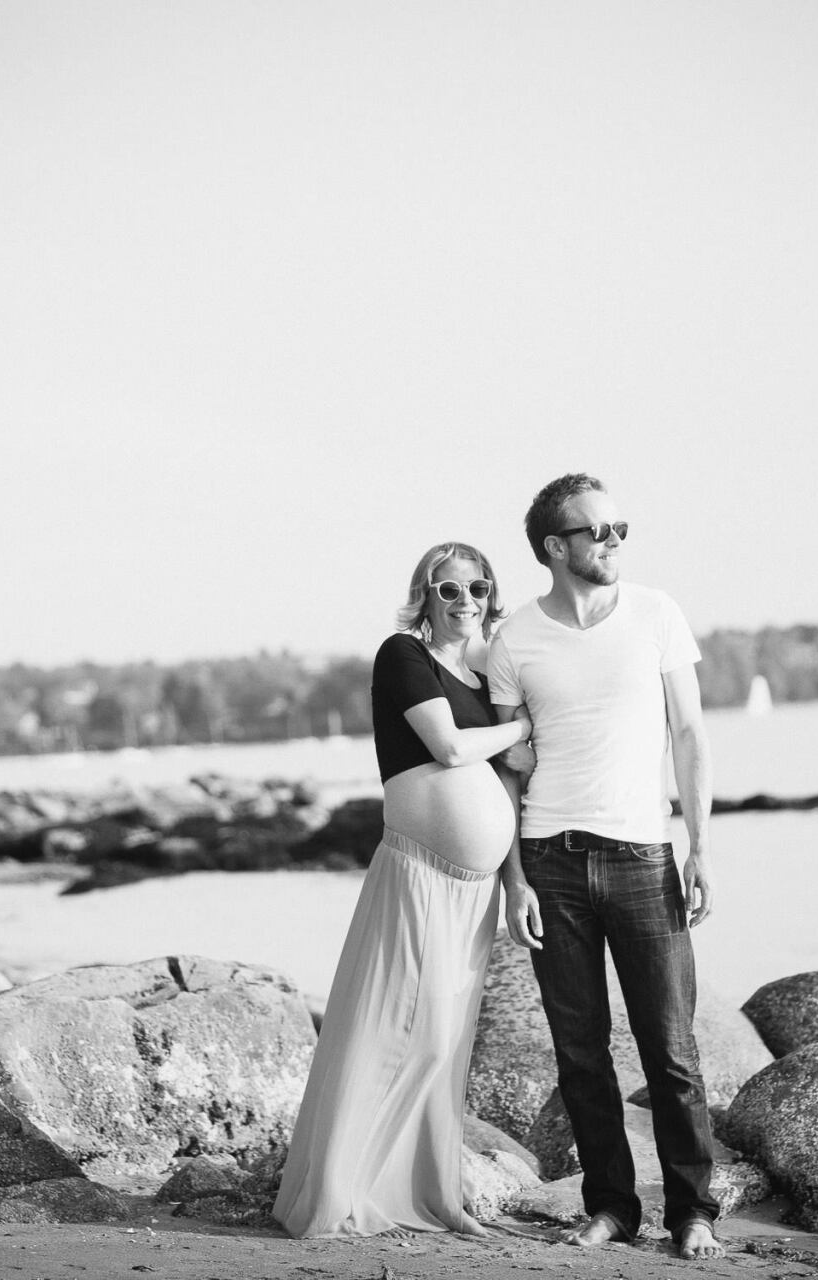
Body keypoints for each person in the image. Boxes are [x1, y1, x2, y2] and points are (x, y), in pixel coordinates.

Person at [487, 473, 724, 1260]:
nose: (615, 541)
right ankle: (613, 1209)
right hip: (551, 862)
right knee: (580, 1054)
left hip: (642, 860)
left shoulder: (657, 615)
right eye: (598, 531)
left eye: (621, 527)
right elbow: (507, 771)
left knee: (671, 1051)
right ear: (556, 546)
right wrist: (513, 879)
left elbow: (689, 735)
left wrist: (701, 848)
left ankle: (693, 1213)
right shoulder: (514, 638)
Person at [274, 541, 533, 1238]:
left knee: (447, 1040)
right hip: (419, 870)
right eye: (448, 590)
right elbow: (449, 749)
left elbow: (508, 784)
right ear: (424, 595)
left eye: (478, 588)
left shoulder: (489, 675)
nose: (466, 602)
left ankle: (437, 1196)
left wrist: (515, 883)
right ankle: (339, 1189)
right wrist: (521, 728)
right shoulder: (403, 656)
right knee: (392, 1033)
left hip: (477, 888)